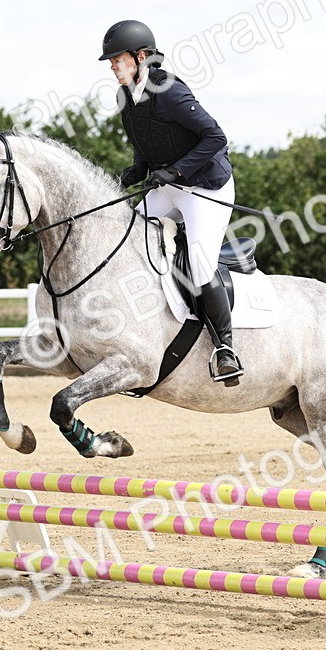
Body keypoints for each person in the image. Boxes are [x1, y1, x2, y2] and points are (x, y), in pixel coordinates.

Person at [99, 19, 242, 385]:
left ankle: (225, 348)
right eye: (112, 61)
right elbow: (147, 140)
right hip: (169, 186)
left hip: (206, 189)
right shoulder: (126, 97)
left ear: (141, 57)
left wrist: (175, 172)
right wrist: (136, 169)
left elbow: (215, 137)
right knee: (124, 232)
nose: (113, 66)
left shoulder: (170, 91)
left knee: (198, 259)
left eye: (117, 59)